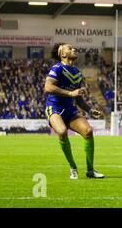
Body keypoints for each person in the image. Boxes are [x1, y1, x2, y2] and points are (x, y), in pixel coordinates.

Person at [44, 43, 105, 179]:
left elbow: (78, 98)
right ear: (62, 54)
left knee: (88, 131)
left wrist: (90, 110)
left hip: (70, 109)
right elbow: (48, 87)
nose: (74, 49)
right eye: (69, 48)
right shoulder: (57, 68)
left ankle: (90, 170)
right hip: (54, 108)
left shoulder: (77, 73)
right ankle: (73, 168)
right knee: (61, 132)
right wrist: (71, 93)